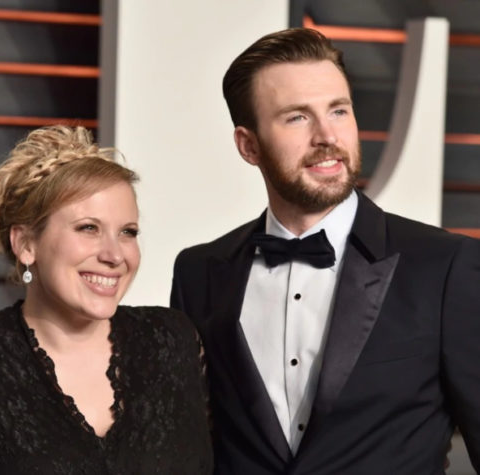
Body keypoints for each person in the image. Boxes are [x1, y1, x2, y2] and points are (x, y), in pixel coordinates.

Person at [170, 27, 480, 474]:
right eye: (297, 117)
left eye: (338, 110)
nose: (327, 136)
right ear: (248, 145)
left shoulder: (445, 266)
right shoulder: (200, 272)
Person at [0, 125, 212, 474]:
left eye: (128, 232)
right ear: (26, 244)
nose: (114, 254)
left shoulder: (171, 339)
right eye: (88, 228)